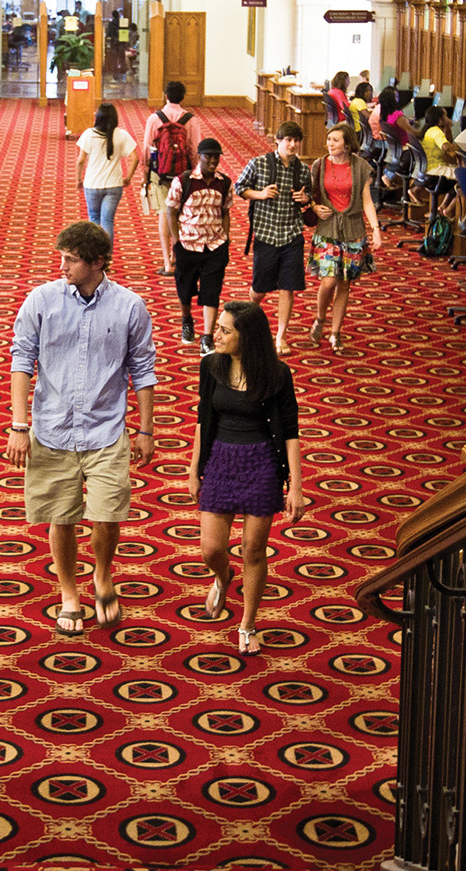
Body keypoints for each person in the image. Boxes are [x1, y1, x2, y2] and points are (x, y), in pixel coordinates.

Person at [3, 220, 159, 638]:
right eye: (62, 257)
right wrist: (19, 425)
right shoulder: (42, 300)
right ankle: (69, 593)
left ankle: (103, 576)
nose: (63, 266)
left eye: (71, 260)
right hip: (52, 426)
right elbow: (21, 361)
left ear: (97, 263)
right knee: (61, 516)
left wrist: (145, 428)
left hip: (107, 428)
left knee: (108, 516)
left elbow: (142, 370)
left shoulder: (129, 306)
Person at [190, 301, 304, 656]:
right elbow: (202, 421)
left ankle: (248, 623)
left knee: (253, 550)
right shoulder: (210, 366)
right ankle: (223, 578)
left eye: (225, 330)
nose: (215, 334)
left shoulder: (277, 375)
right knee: (211, 548)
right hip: (221, 459)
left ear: (247, 337)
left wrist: (296, 487)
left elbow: (290, 433)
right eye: (218, 327)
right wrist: (194, 470)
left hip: (261, 463)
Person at [234, 122, 313, 347]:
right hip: (266, 234)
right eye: (288, 139)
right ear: (277, 140)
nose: (292, 144)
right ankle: (248, 317)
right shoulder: (259, 164)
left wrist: (306, 199)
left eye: (296, 140)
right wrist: (261, 193)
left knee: (288, 287)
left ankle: (281, 336)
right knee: (260, 288)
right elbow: (240, 187)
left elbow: (309, 195)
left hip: (292, 234)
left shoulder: (303, 169)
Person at [307, 123, 382, 351]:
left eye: (336, 140)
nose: (330, 144)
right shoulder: (319, 165)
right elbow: (309, 195)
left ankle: (335, 332)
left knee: (344, 283)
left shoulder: (360, 167)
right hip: (327, 228)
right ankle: (320, 318)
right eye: (329, 140)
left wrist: (376, 228)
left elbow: (366, 200)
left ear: (347, 145)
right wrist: (314, 206)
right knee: (328, 280)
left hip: (352, 230)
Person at [165, 137, 233, 357]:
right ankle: (187, 319)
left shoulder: (224, 182)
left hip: (215, 246)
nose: (213, 160)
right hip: (188, 245)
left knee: (211, 291)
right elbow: (171, 211)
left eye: (216, 156)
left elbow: (225, 211)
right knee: (185, 289)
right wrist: (176, 242)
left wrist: (225, 237)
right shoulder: (183, 181)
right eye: (209, 156)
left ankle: (207, 337)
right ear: (199, 157)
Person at [141, 80, 202, 276]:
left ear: (165, 95)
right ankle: (179, 257)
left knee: (163, 214)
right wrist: (194, 173)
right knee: (182, 214)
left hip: (160, 173)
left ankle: (167, 262)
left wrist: (145, 174)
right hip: (183, 174)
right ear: (183, 97)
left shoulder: (154, 118)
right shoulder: (190, 119)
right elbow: (194, 150)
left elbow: (147, 149)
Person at [74, 102, 140, 240]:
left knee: (94, 220)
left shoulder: (89, 134)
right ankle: (106, 256)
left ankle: (94, 255)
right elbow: (135, 158)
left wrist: (78, 179)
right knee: (107, 221)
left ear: (97, 117)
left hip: (92, 184)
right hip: (114, 185)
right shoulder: (122, 134)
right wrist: (128, 178)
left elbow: (80, 160)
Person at [419, 105, 461, 218]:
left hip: (429, 169)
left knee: (458, 175)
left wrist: (448, 129)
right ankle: (449, 210)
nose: (449, 119)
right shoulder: (436, 132)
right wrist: (461, 147)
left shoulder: (429, 130)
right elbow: (446, 147)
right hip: (436, 171)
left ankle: (442, 207)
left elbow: (447, 143)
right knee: (464, 178)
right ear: (440, 120)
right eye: (446, 116)